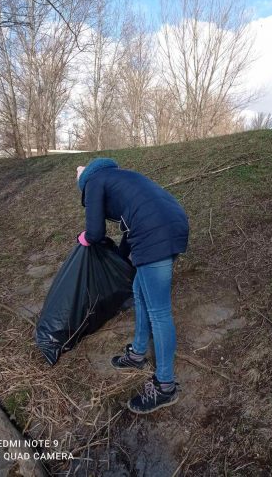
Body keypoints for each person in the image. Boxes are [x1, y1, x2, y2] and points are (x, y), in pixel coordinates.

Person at [76, 158, 189, 414]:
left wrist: (83, 239)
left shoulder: (93, 182)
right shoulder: (123, 177)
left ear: (83, 183)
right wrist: (120, 258)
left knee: (159, 312)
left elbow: (93, 232)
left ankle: (165, 386)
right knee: (139, 292)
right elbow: (131, 223)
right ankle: (138, 353)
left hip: (154, 234)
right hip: (174, 223)